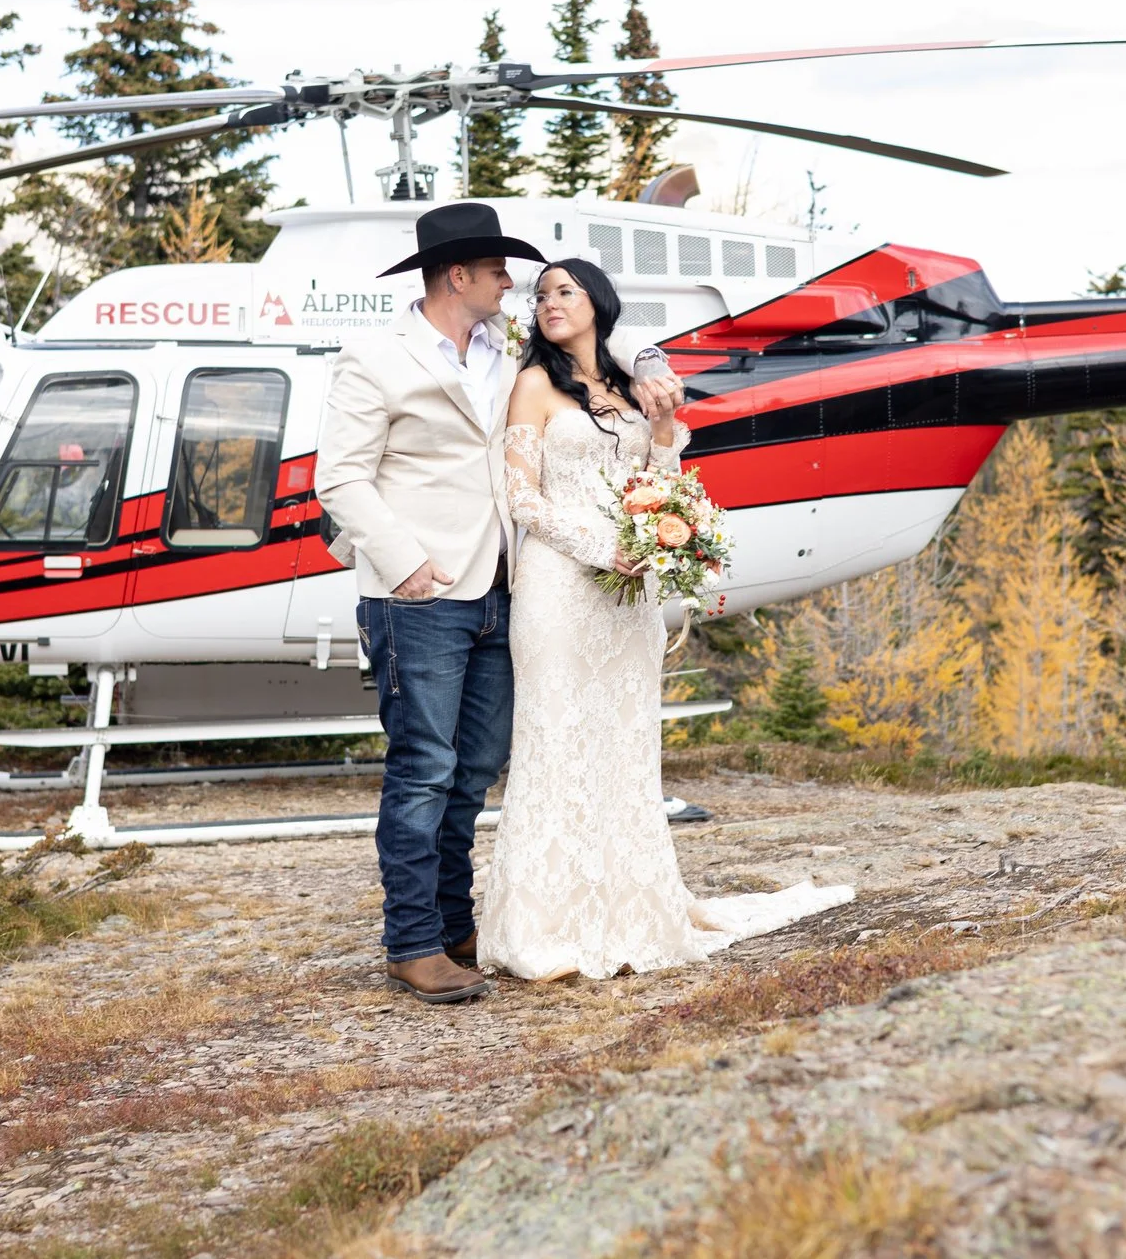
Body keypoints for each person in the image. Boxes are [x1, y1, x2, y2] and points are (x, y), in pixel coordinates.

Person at [479, 258, 854, 981]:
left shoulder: (627, 386)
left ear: (598, 303)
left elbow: (661, 481)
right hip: (560, 586)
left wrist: (664, 434)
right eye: (541, 294)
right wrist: (600, 546)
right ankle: (545, 924)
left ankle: (627, 909)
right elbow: (521, 497)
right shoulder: (532, 384)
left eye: (565, 291)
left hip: (628, 598)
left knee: (624, 747)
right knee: (555, 742)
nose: (549, 302)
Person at [315, 201, 547, 1004]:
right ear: (459, 275)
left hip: (498, 588)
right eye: (496, 271)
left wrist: (652, 358)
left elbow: (600, 347)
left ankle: (456, 924)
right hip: (416, 595)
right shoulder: (374, 356)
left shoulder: (506, 352)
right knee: (423, 770)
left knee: (475, 768)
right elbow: (339, 476)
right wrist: (404, 561)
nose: (508, 283)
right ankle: (411, 940)